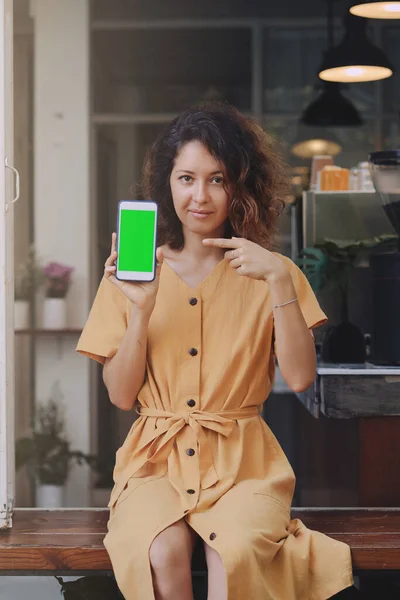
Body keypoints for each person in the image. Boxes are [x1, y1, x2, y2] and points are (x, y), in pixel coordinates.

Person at [76, 103, 356, 600]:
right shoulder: (130, 278)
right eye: (186, 178)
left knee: (236, 551)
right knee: (159, 550)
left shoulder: (274, 271)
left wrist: (277, 280)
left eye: (217, 179)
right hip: (154, 463)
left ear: (239, 187)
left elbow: (300, 378)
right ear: (168, 185)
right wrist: (140, 309)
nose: (199, 196)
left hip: (243, 462)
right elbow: (121, 396)